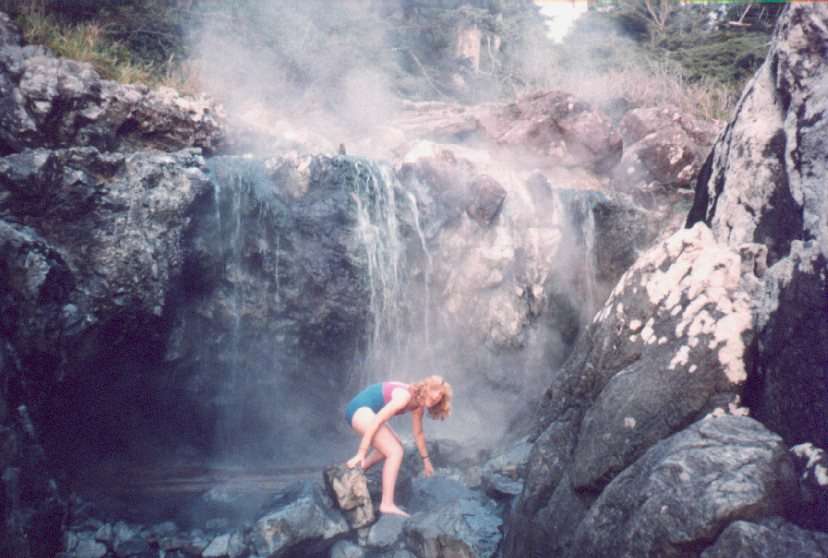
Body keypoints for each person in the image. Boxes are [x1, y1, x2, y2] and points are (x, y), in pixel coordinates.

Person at [344, 375, 452, 517]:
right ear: (427, 388)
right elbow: (377, 421)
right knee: (395, 451)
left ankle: (354, 471)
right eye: (437, 391)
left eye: (441, 395)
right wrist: (361, 452)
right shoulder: (404, 396)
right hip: (359, 409)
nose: (438, 396)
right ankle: (387, 504)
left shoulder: (418, 405)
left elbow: (418, 433)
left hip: (368, 412)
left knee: (396, 446)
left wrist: (426, 461)